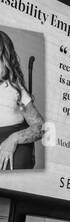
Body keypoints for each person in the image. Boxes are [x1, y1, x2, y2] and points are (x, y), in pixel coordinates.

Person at [0, 29, 45, 172]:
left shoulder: (15, 89)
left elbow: (41, 128)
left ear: (5, 60)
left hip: (10, 140)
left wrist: (14, 139)